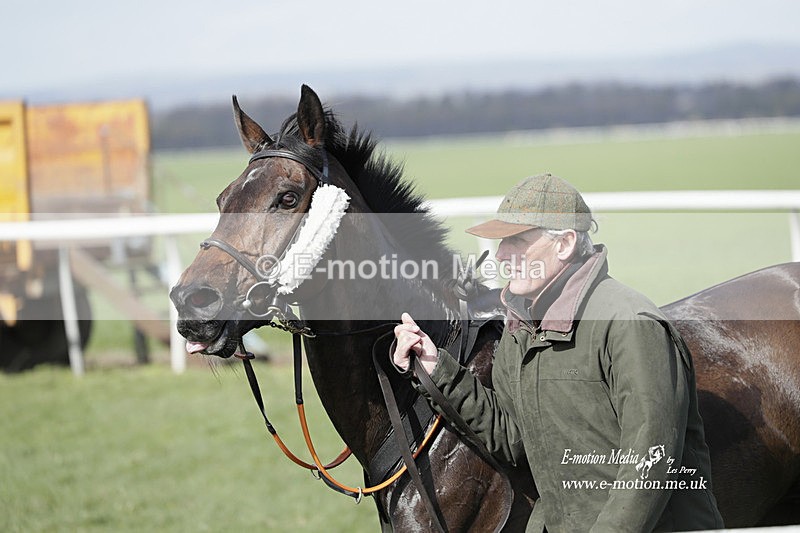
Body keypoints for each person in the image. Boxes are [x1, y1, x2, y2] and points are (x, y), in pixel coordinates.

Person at [393, 174, 724, 532]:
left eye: (517, 240)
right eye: (502, 242)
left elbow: (650, 462)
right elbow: (512, 438)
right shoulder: (522, 330)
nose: (502, 255)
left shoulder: (630, 323)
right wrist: (436, 367)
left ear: (564, 243)